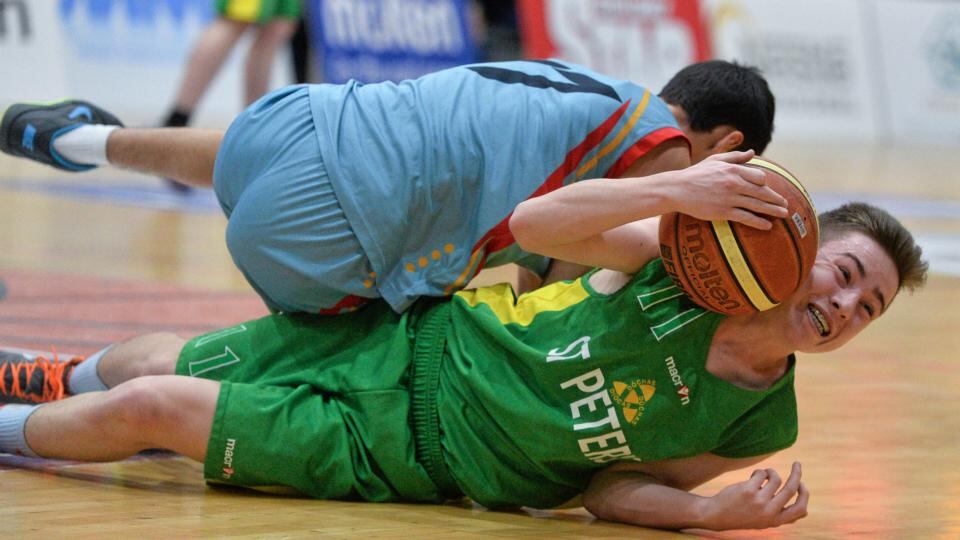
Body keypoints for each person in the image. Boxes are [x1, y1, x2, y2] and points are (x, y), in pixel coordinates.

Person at [0, 199, 927, 531]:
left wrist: (706, 512)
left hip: (410, 454)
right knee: (156, 359)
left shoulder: (763, 421)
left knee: (159, 405)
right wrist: (678, 196)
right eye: (844, 275)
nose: (844, 308)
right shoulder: (686, 266)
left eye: (868, 307)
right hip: (409, 339)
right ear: (800, 247)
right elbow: (537, 226)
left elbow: (607, 492)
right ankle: (39, 377)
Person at [0, 59, 775, 314]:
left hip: (295, 118)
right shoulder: (675, 164)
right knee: (371, 365)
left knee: (263, 149)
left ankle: (84, 139)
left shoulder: (584, 85)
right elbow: (568, 269)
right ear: (728, 146)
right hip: (325, 229)